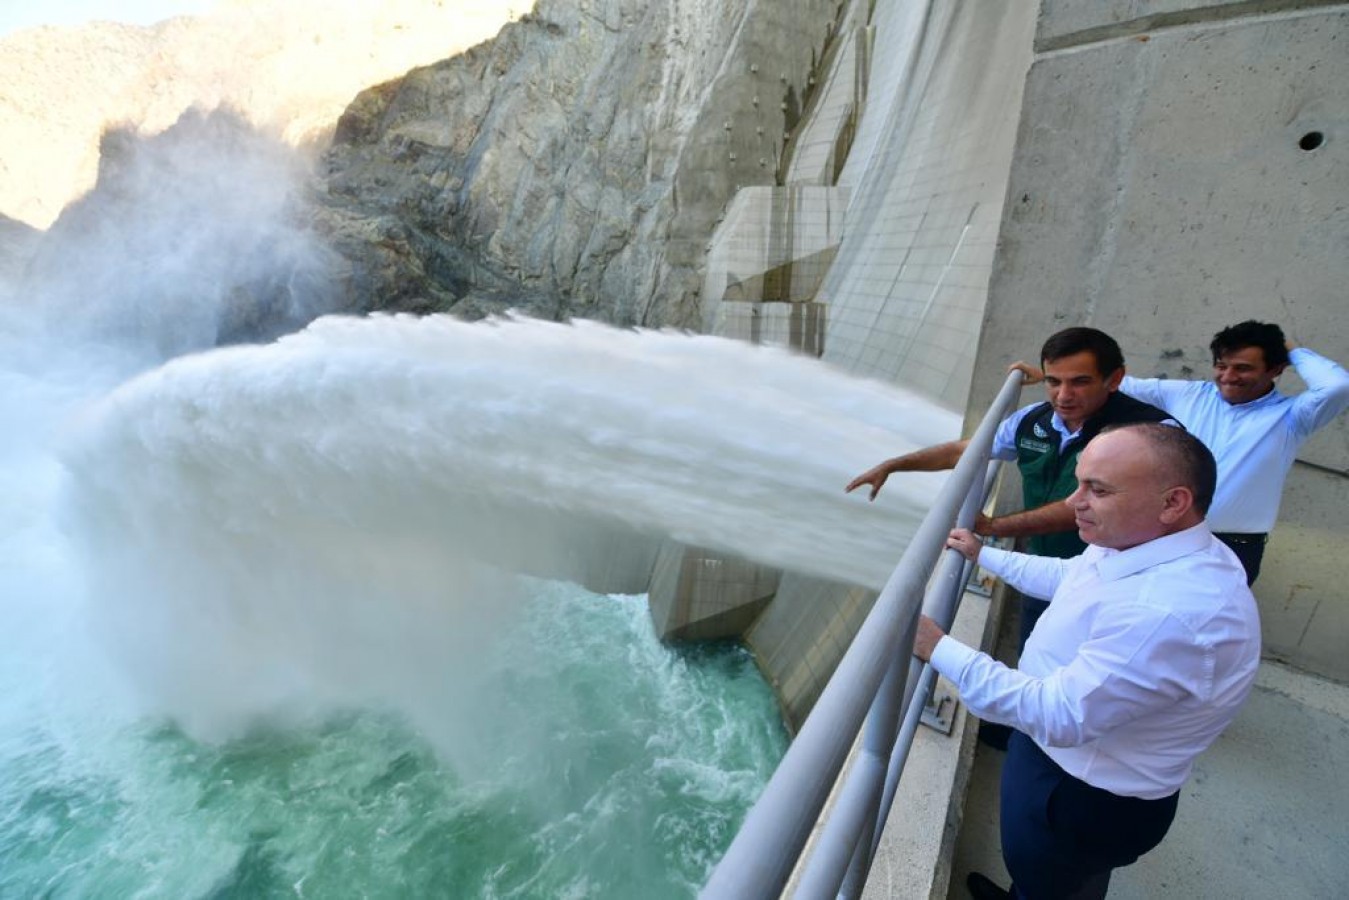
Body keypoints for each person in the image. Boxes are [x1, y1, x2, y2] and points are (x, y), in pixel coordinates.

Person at [915, 423, 1261, 900]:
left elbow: (1061, 715)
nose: (1074, 501)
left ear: (1173, 503)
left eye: (1097, 489)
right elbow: (1070, 576)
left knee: (1054, 879)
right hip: (1074, 772)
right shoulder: (1151, 546)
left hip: (1079, 795)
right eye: (1079, 482)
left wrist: (937, 647)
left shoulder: (1166, 612)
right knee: (1053, 876)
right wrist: (985, 556)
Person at [847, 327, 1173, 652]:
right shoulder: (1033, 421)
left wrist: (993, 527)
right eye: (1053, 381)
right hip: (1042, 570)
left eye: (1080, 381)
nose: (1063, 395)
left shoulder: (1148, 437)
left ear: (1114, 379)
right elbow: (966, 451)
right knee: (1034, 656)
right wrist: (893, 465)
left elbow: (1084, 507)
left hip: (1119, 581)